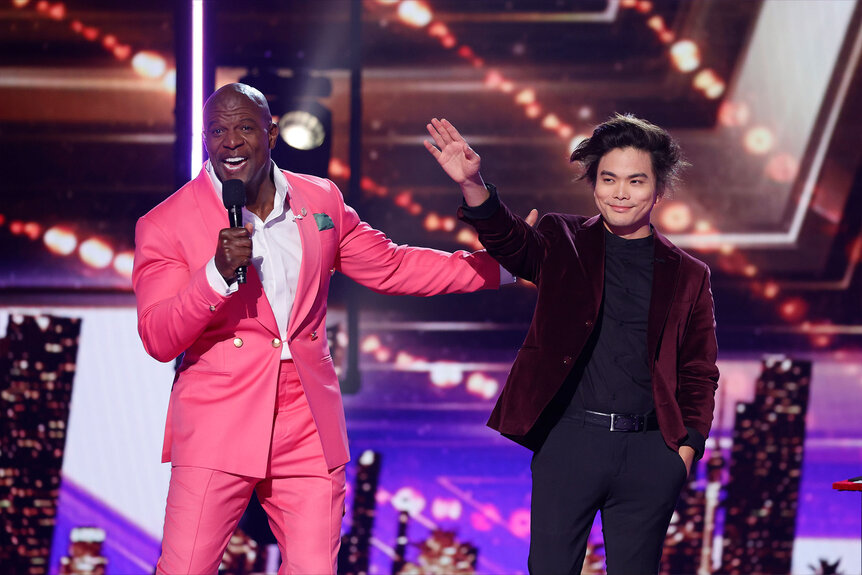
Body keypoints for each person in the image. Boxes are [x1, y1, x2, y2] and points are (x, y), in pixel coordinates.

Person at [132, 83, 515, 575]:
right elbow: (158, 337)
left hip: (307, 421)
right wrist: (215, 277)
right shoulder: (166, 223)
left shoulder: (320, 199)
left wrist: (501, 268)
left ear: (271, 133)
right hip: (218, 422)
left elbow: (393, 267)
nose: (230, 142)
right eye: (217, 131)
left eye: (244, 128)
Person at [425, 115, 719, 574]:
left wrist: (685, 452)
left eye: (636, 180)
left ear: (658, 190)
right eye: (609, 179)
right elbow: (509, 241)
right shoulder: (563, 239)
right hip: (571, 441)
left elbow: (699, 371)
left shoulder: (689, 273)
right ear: (594, 183)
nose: (620, 193)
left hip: (651, 452)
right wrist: (473, 184)